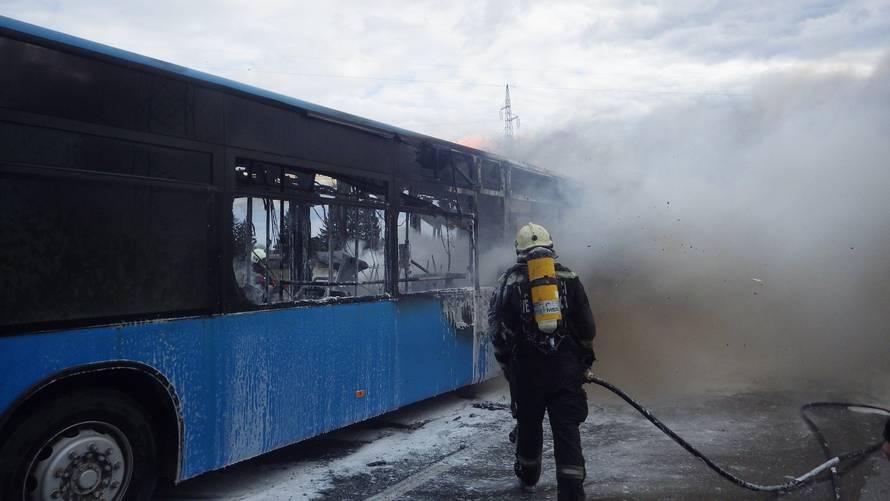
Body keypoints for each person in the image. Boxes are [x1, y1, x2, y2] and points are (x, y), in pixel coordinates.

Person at [489, 223, 596, 501]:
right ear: (551, 246)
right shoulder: (569, 277)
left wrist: (506, 363)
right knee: (567, 431)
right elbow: (586, 326)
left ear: (518, 251)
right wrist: (585, 359)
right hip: (566, 371)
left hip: (526, 373)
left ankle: (528, 475)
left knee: (528, 425)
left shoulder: (508, 282)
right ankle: (572, 493)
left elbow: (497, 330)